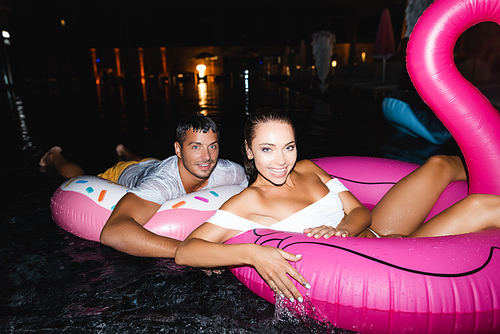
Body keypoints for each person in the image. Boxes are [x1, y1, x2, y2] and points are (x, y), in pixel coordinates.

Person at [175, 107, 500, 303]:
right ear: (248, 150)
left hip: (376, 233)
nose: (280, 161)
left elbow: (360, 211)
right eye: (267, 149)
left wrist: (341, 229)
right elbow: (187, 250)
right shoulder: (249, 201)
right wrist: (252, 253)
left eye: (288, 147)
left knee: (440, 163)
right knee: (481, 208)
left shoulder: (308, 169)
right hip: (384, 266)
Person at [40, 114, 248, 258]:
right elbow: (113, 232)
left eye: (213, 146)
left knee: (146, 161)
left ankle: (124, 150)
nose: (207, 157)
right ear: (178, 149)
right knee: (79, 174)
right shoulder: (161, 184)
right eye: (196, 147)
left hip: (153, 163)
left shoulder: (229, 171)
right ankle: (54, 156)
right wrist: (191, 251)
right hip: (125, 172)